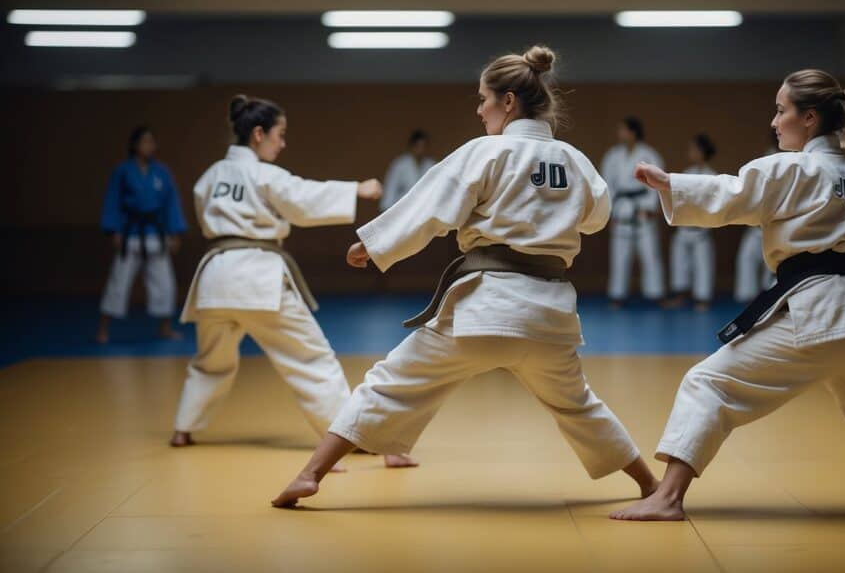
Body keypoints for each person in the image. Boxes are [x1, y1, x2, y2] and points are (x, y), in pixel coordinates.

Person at [272, 46, 657, 508]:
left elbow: (432, 205)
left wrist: (373, 246)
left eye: (483, 99)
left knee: (390, 382)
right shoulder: (575, 160)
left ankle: (310, 474)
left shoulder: (485, 152)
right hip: (550, 317)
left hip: (484, 309)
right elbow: (596, 218)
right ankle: (651, 486)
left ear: (508, 102)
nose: (479, 110)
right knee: (579, 405)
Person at [611, 69, 845, 521]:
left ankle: (667, 497)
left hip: (819, 314)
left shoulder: (794, 168)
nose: (774, 120)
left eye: (781, 110)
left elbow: (734, 193)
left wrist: (670, 183)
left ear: (809, 118)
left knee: (709, 383)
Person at [170, 95, 416, 470]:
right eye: (279, 135)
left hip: (215, 278)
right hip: (256, 276)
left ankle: (183, 428)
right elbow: (302, 198)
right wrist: (356, 189)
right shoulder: (264, 175)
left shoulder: (210, 177)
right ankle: (349, 435)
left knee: (210, 361)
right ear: (258, 134)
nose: (282, 143)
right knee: (311, 359)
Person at [96, 126, 187, 343]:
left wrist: (174, 232)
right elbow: (113, 201)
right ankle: (103, 328)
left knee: (164, 283)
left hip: (156, 232)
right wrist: (114, 230)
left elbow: (171, 203)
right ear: (134, 145)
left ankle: (165, 327)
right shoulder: (123, 171)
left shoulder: (162, 172)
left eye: (151, 142)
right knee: (119, 281)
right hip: (131, 234)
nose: (149, 146)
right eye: (144, 141)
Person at [602, 116, 666, 308]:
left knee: (650, 255)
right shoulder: (612, 156)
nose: (619, 133)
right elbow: (606, 185)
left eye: (622, 130)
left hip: (642, 210)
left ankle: (656, 294)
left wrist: (649, 208)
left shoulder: (649, 155)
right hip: (621, 209)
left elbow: (658, 183)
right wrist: (609, 212)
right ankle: (617, 295)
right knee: (619, 255)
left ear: (633, 132)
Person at [666, 134, 717, 310]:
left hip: (701, 230)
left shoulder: (713, 176)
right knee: (679, 263)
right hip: (684, 228)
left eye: (694, 149)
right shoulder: (686, 173)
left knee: (702, 265)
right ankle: (680, 295)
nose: (691, 152)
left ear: (702, 152)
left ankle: (703, 299)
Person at [734, 134, 778, 302]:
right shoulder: (766, 158)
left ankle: (772, 298)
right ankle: (748, 297)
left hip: (779, 226)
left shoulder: (798, 158)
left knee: (775, 267)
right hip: (757, 225)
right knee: (746, 257)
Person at [381, 129, 436, 211]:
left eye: (423, 146)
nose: (420, 150)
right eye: (418, 146)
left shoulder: (432, 165)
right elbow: (389, 192)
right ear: (411, 147)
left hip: (425, 210)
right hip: (402, 211)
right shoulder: (399, 165)